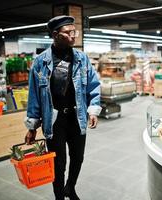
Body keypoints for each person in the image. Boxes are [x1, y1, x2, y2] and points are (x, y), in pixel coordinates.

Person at [24, 15, 102, 200]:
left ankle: (70, 187)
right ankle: (59, 195)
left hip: (77, 117)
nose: (73, 36)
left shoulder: (82, 59)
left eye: (74, 31)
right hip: (54, 120)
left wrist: (93, 109)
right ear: (55, 34)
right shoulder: (40, 63)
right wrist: (32, 127)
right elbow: (34, 96)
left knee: (78, 158)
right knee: (58, 163)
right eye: (68, 32)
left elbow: (93, 85)